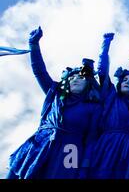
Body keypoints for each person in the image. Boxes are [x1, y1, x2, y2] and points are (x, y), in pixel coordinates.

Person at [7, 26, 101, 179]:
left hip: (71, 150)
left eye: (81, 77)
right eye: (72, 77)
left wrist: (84, 166)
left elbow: (91, 138)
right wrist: (34, 44)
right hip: (41, 141)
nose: (75, 79)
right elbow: (39, 71)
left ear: (89, 84)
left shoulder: (93, 107)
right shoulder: (55, 94)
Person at [89, 33, 129, 179]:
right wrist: (106, 44)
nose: (127, 82)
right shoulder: (111, 96)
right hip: (107, 144)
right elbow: (102, 71)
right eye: (124, 79)